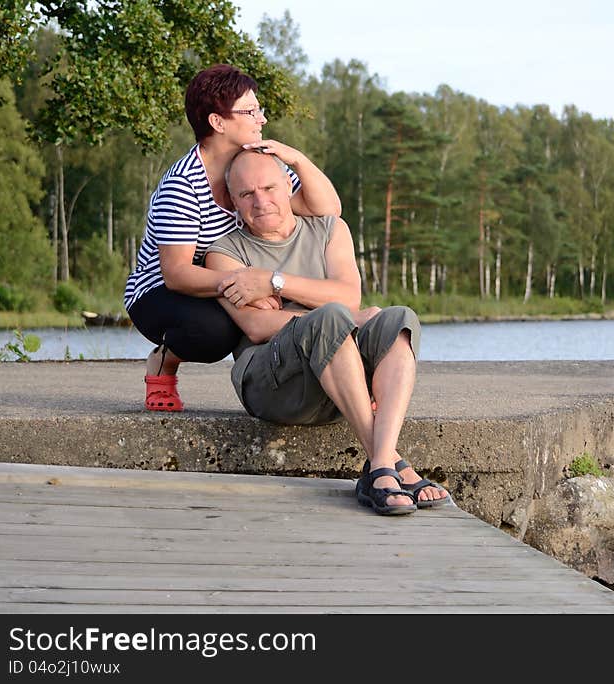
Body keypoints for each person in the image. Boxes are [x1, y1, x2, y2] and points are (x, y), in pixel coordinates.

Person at [204, 149, 450, 515]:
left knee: (398, 318)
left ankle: (378, 466)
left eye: (269, 187)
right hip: (273, 387)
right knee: (332, 316)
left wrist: (273, 283)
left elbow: (350, 294)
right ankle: (390, 464)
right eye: (246, 194)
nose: (261, 201)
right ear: (232, 201)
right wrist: (332, 317)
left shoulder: (330, 230)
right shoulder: (224, 252)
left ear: (288, 185)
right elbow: (256, 327)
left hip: (339, 386)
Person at [124, 64, 341, 412]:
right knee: (216, 332)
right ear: (217, 122)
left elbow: (327, 210)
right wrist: (251, 285)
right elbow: (177, 273)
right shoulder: (183, 185)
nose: (261, 119)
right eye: (250, 111)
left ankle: (326, 385)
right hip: (162, 294)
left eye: (260, 110)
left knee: (291, 302)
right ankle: (163, 363)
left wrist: (297, 160)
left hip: (227, 280)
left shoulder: (256, 166)